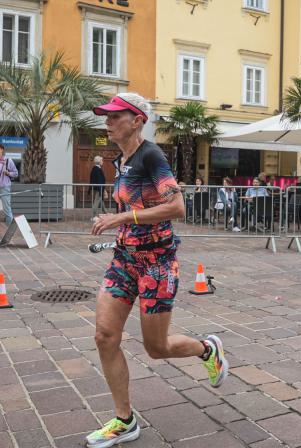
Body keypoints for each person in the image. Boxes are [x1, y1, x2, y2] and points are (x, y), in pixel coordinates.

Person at [88, 93, 228, 447]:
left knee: (156, 347)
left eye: (115, 116)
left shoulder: (151, 155)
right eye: (106, 116)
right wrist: (118, 222)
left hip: (158, 264)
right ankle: (125, 421)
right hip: (125, 260)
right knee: (105, 336)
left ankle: (206, 349)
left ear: (137, 121)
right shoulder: (121, 159)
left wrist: (121, 217)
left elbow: (177, 206)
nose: (107, 122)